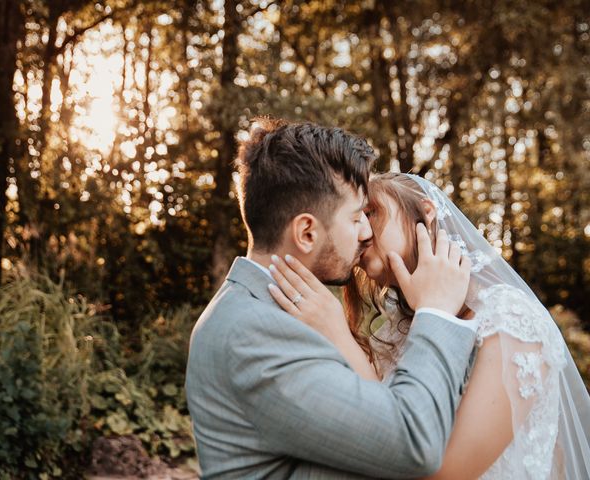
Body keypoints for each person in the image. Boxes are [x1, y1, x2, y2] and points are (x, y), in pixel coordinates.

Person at [185, 119, 478, 478]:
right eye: (357, 217)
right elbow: (412, 442)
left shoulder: (263, 309)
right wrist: (435, 313)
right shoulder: (252, 332)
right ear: (307, 232)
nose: (367, 231)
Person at [268, 172, 590, 479]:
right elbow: (384, 428)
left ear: (426, 212)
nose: (362, 233)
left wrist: (338, 335)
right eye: (355, 219)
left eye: (372, 212)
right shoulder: (393, 328)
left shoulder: (511, 322)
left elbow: (440, 472)